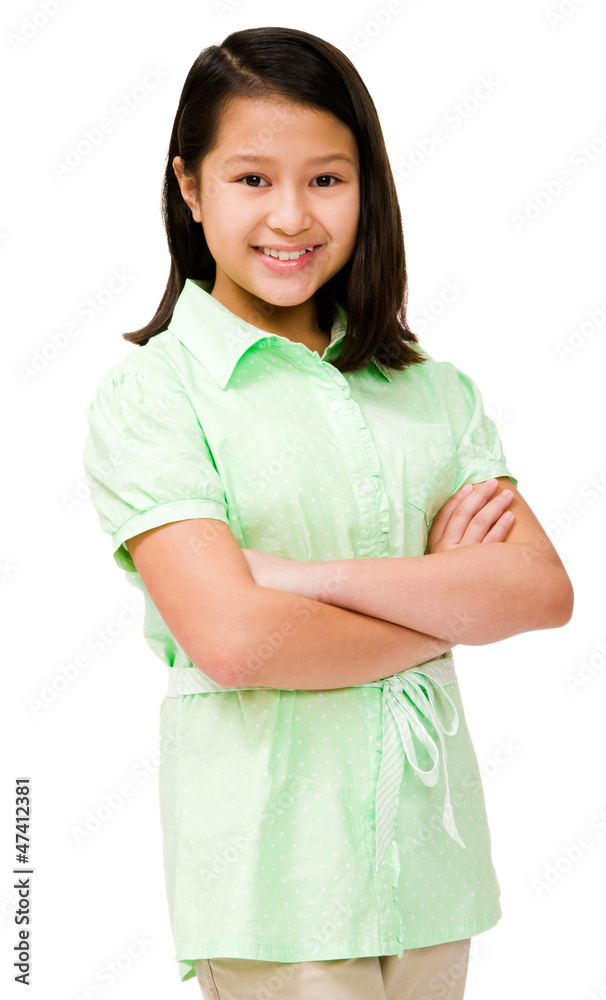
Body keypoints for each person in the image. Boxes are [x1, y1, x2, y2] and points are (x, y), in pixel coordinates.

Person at [81, 25, 574, 1000]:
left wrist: (300, 581)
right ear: (191, 189)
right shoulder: (157, 396)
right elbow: (236, 643)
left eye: (327, 179)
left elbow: (540, 591)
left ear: (367, 186)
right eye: (252, 179)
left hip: (432, 870)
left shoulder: (431, 390)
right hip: (275, 891)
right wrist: (444, 611)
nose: (292, 215)